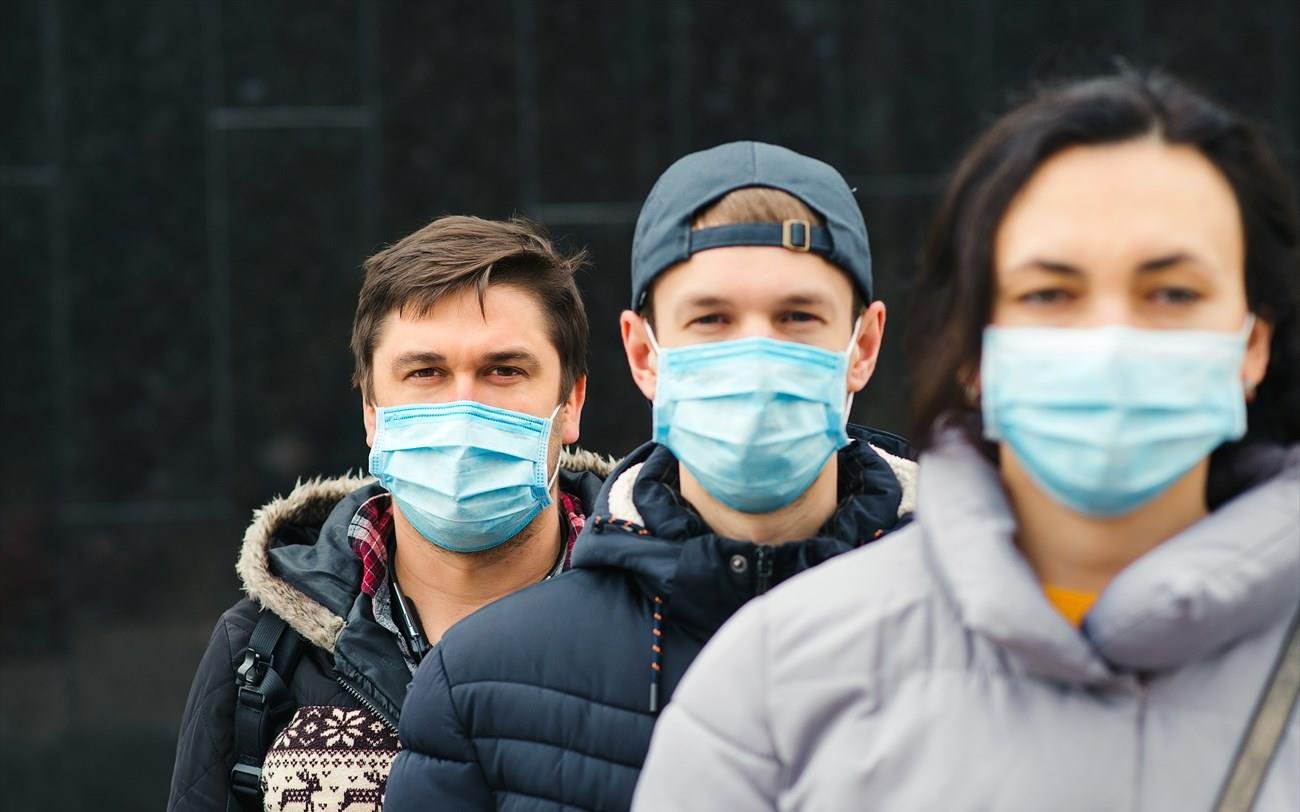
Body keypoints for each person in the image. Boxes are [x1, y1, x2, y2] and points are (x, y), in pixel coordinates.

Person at [633, 71, 1300, 811]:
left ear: (1254, 343)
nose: (1109, 339)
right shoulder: (772, 683)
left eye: (1173, 293)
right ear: (973, 348)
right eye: (1050, 293)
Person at [383, 141, 918, 811]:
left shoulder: (990, 640)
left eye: (798, 317)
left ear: (862, 345)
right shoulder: (480, 681)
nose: (754, 355)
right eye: (711, 319)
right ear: (643, 353)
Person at [166, 216, 612, 811]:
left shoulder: (664, 632)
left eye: (504, 370)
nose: (462, 409)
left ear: (571, 401)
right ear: (372, 412)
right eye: (425, 372)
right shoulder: (262, 653)